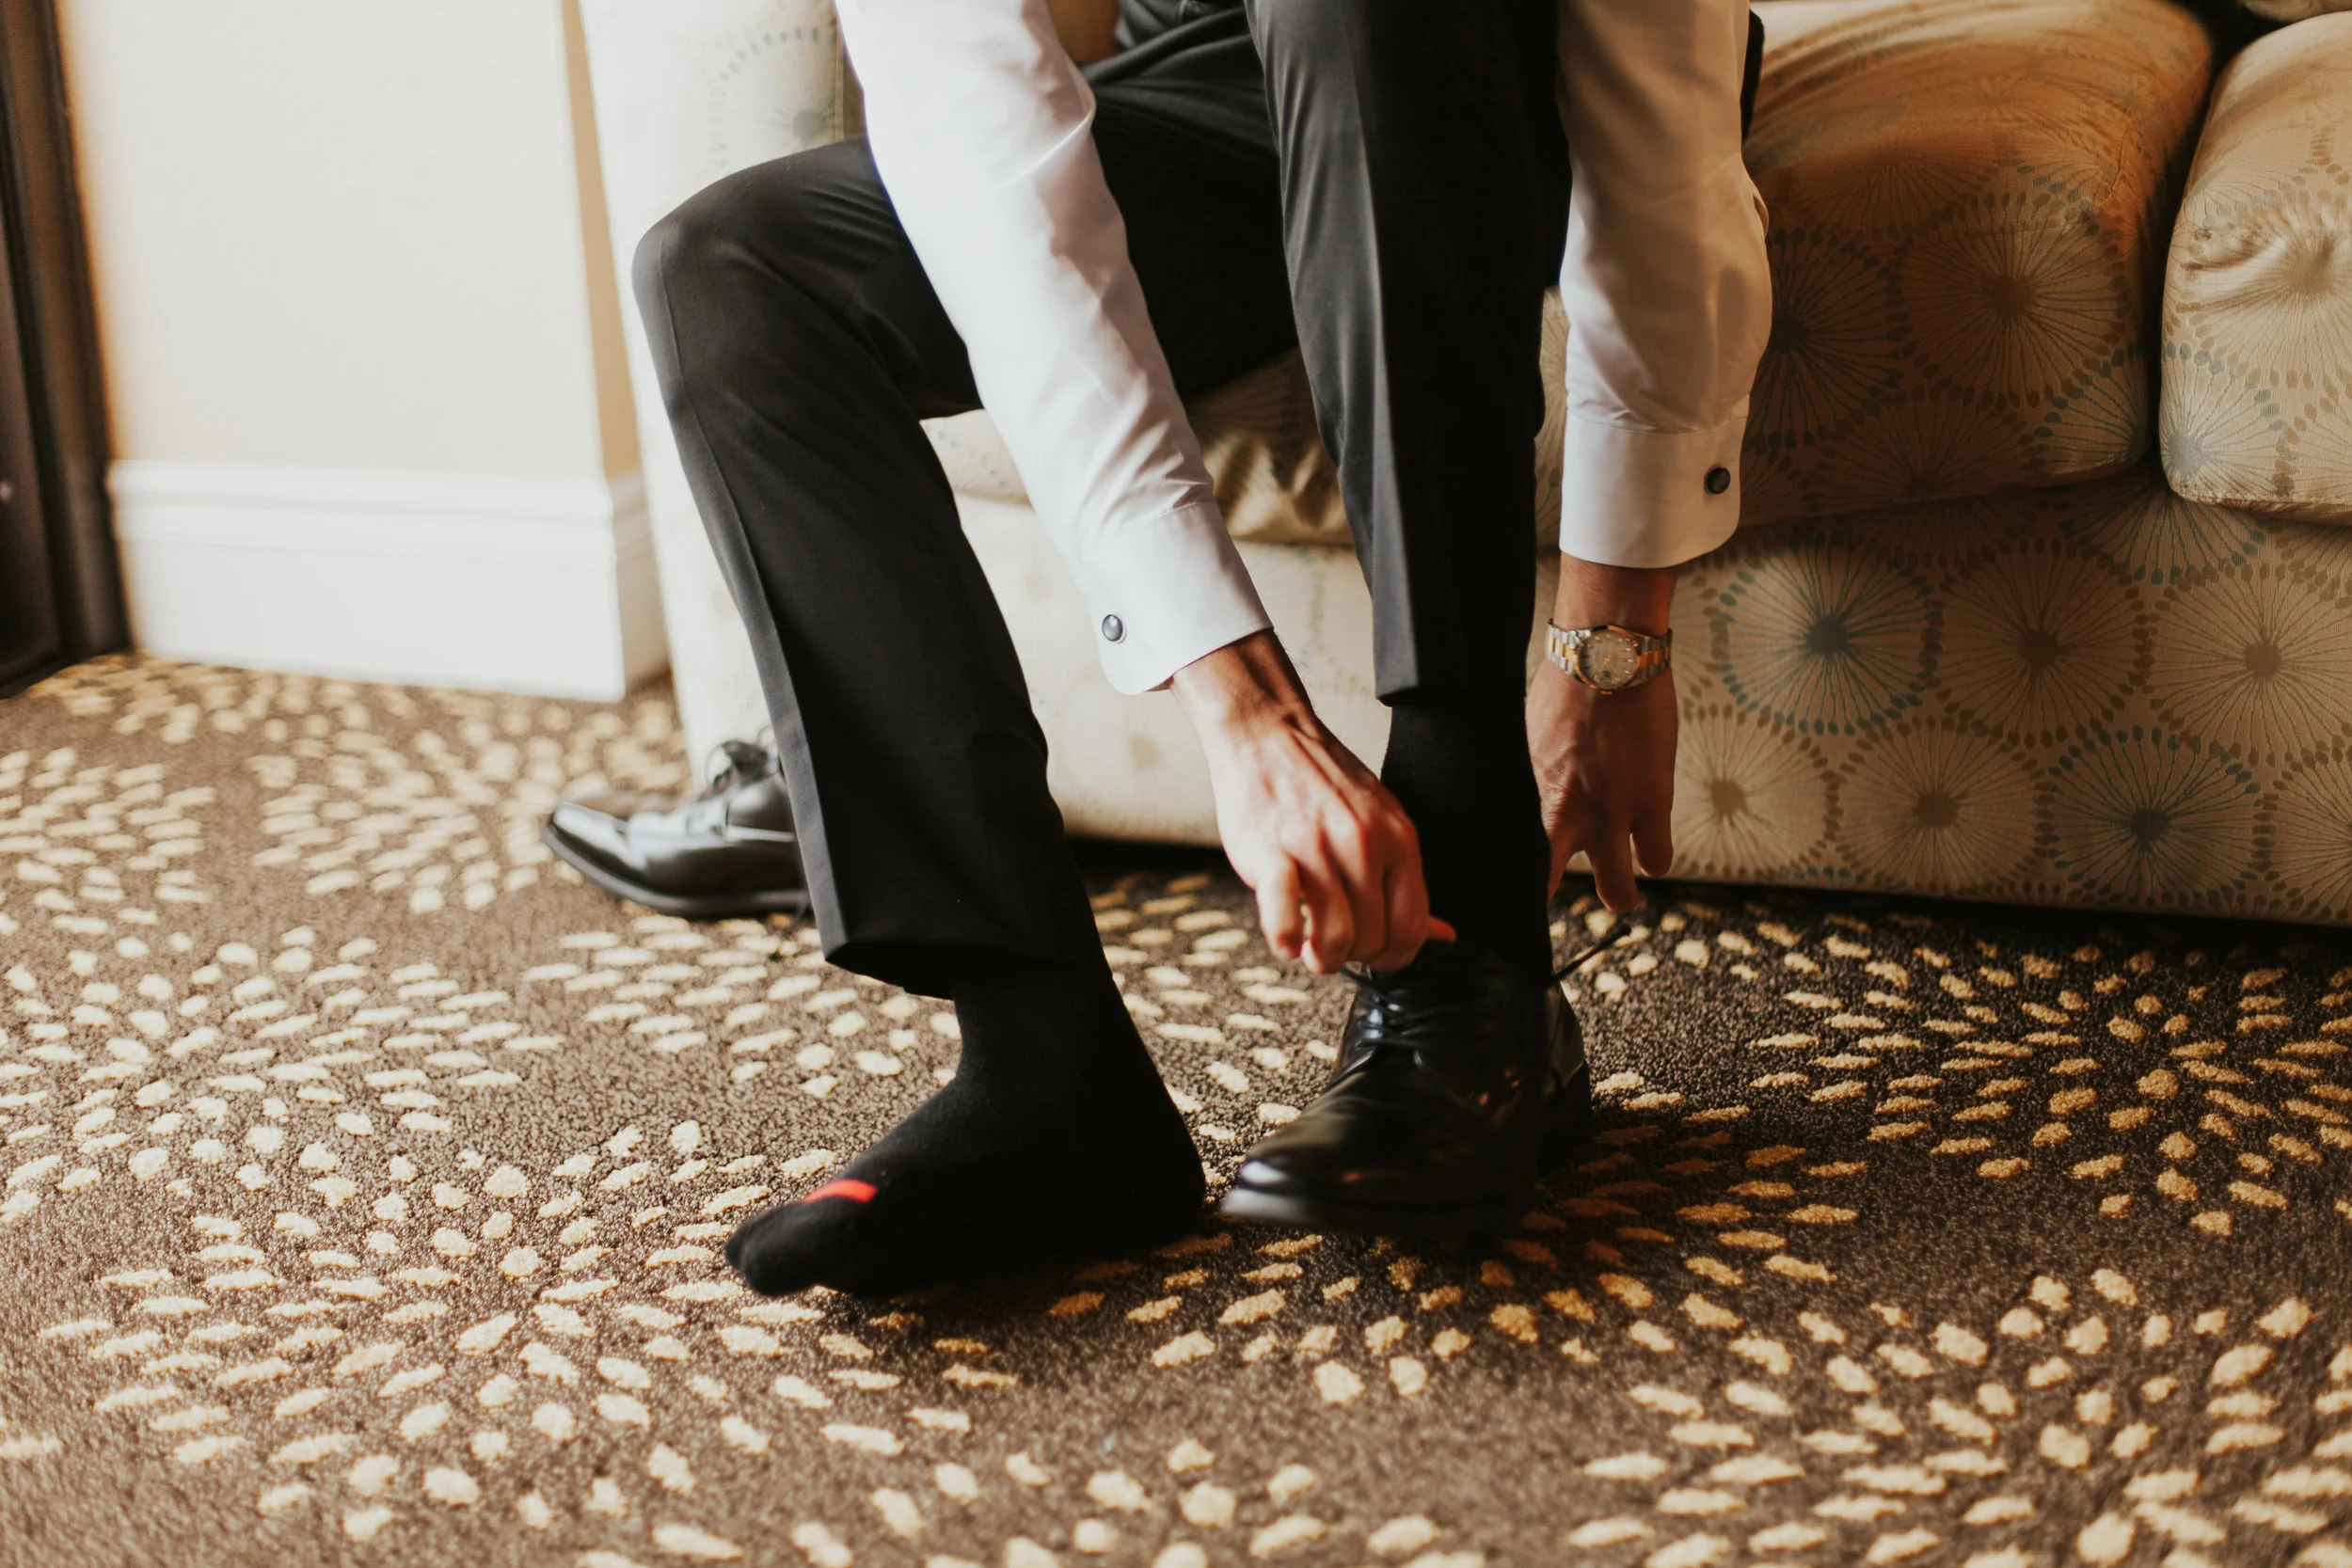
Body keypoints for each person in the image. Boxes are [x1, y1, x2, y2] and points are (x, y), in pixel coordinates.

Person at [546, 0, 1769, 1296]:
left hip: (1516, 63)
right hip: (1224, 75)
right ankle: (1048, 1072)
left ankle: (1475, 957)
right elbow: (986, 167)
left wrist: (1613, 631)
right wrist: (1241, 704)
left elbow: (1663, 89)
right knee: (728, 271)